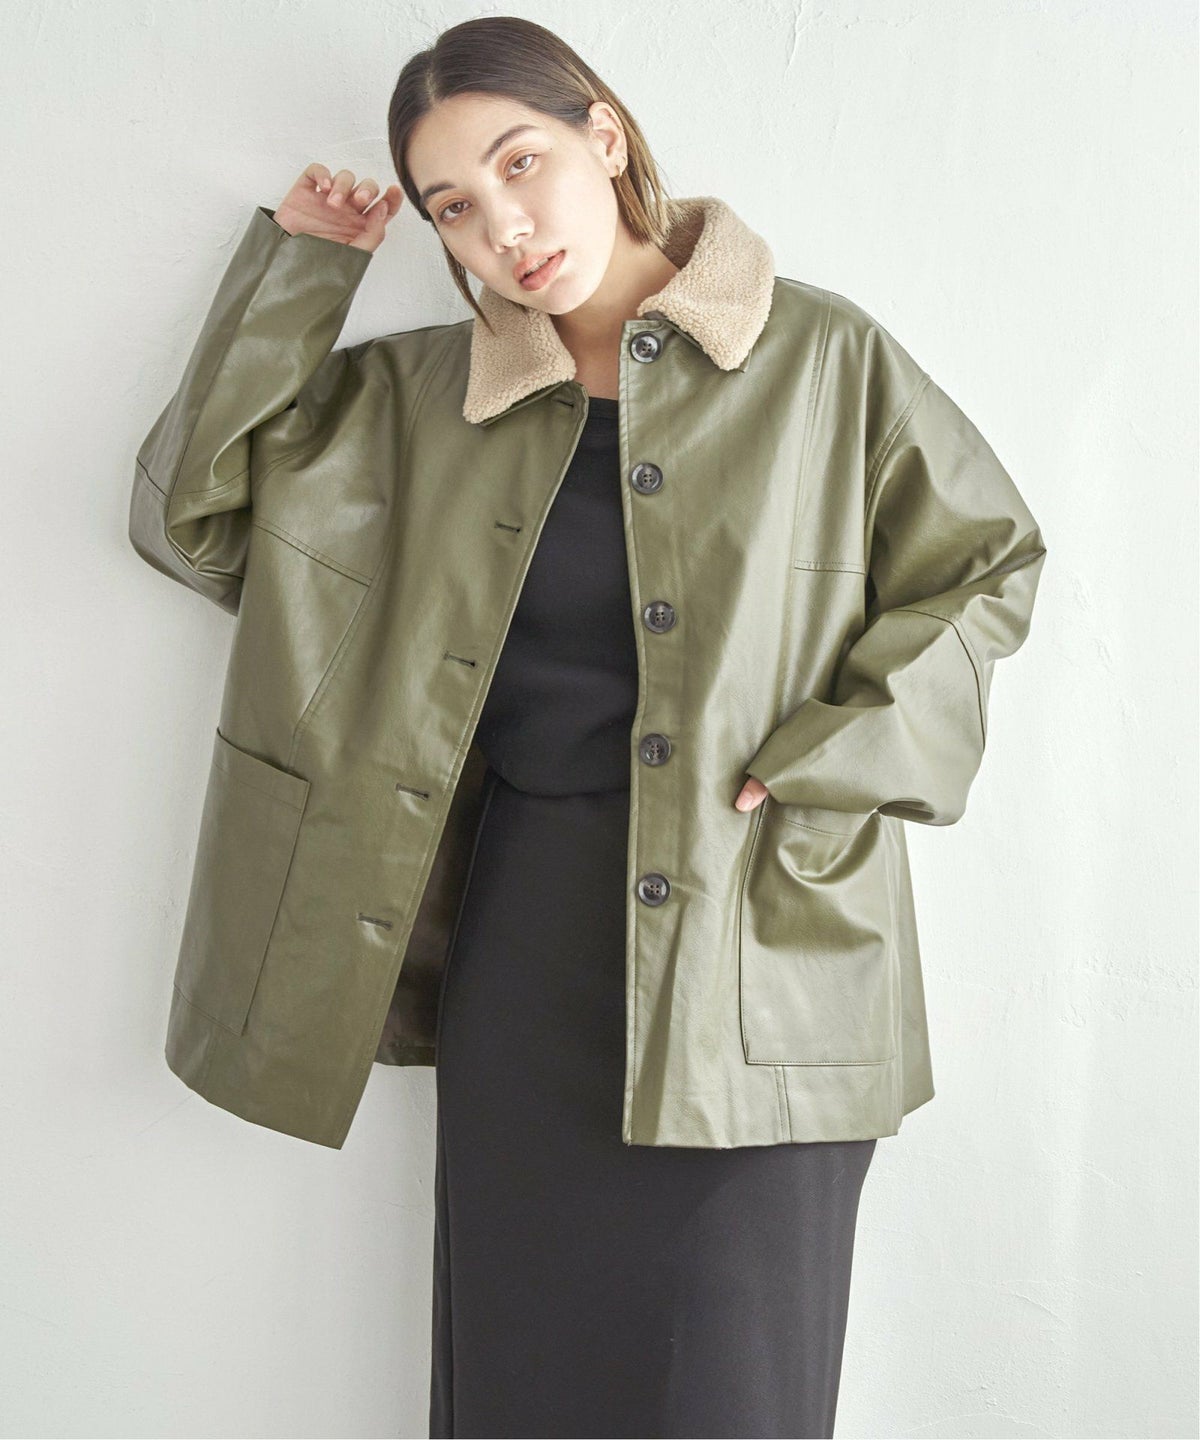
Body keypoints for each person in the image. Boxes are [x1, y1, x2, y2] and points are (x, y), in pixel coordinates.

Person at [130, 16, 1046, 1438]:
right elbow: (194, 519)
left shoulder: (820, 357)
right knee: (526, 1385)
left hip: (766, 944)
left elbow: (987, 565)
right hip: (530, 952)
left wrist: (833, 759)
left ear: (603, 139)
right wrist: (302, 271)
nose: (502, 228)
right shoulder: (421, 404)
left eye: (521, 164)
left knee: (736, 1391)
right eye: (454, 205)